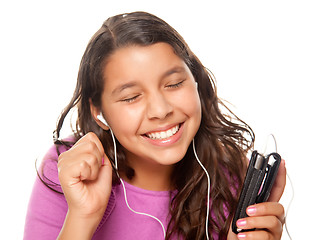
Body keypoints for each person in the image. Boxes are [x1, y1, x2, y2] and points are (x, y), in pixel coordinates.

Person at [24, 11, 286, 240]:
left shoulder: (231, 177)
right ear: (99, 111)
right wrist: (83, 216)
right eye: (131, 97)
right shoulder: (68, 170)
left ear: (196, 80)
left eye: (173, 84)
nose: (161, 111)